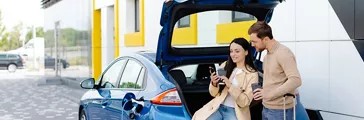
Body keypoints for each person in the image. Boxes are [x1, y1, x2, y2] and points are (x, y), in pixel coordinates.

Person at [249, 21, 309, 120]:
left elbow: (296, 80)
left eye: (255, 41)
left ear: (266, 39)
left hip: (281, 110)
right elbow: (274, 81)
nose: (252, 45)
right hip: (266, 108)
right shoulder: (267, 56)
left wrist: (269, 94)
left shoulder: (283, 53)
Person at [192, 38, 259, 120]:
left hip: (236, 112)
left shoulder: (252, 74)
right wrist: (214, 83)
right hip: (218, 107)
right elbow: (213, 94)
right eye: (231, 51)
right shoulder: (225, 65)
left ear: (246, 52)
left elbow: (245, 102)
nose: (233, 54)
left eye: (237, 51)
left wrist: (230, 85)